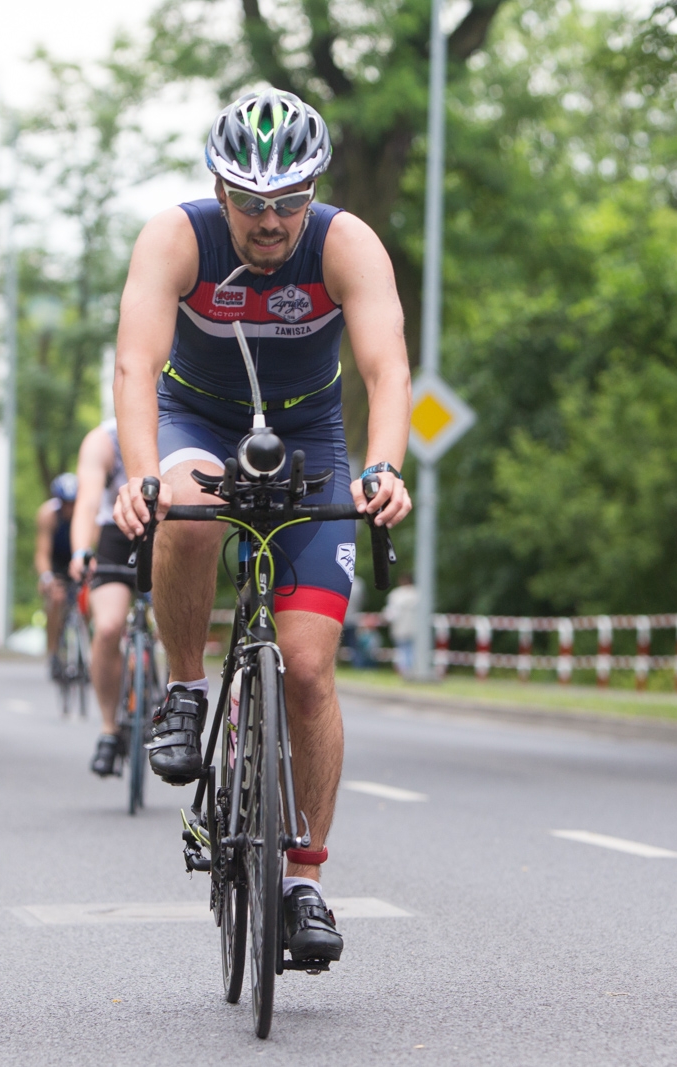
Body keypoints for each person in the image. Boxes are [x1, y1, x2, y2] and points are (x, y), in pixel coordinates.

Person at [111, 89, 413, 965]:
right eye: (250, 201)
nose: (271, 220)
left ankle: (304, 879)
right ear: (220, 188)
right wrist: (142, 474)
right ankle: (183, 688)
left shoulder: (345, 243)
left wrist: (384, 467)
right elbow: (135, 365)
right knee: (191, 509)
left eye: (290, 200)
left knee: (310, 672)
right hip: (197, 423)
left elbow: (388, 370)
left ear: (313, 191)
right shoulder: (177, 237)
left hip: (310, 438)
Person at [66, 419, 136, 776]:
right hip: (117, 531)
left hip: (172, 527)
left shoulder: (182, 419)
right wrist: (81, 550)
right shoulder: (103, 440)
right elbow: (88, 502)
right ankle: (109, 729)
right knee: (108, 628)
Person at [33, 473, 78, 677]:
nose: (69, 508)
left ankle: (86, 651)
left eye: (73, 503)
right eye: (65, 504)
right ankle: (53, 653)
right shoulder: (47, 515)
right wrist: (47, 577)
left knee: (90, 600)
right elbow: (42, 553)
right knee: (56, 599)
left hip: (77, 560)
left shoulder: (86, 514)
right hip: (57, 563)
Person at [383, 573, 417, 674]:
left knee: (402, 650)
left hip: (400, 628)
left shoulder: (396, 595)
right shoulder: (418, 593)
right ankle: (413, 669)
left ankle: (405, 671)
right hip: (416, 629)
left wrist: (385, 619)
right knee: (413, 650)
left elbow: (391, 613)